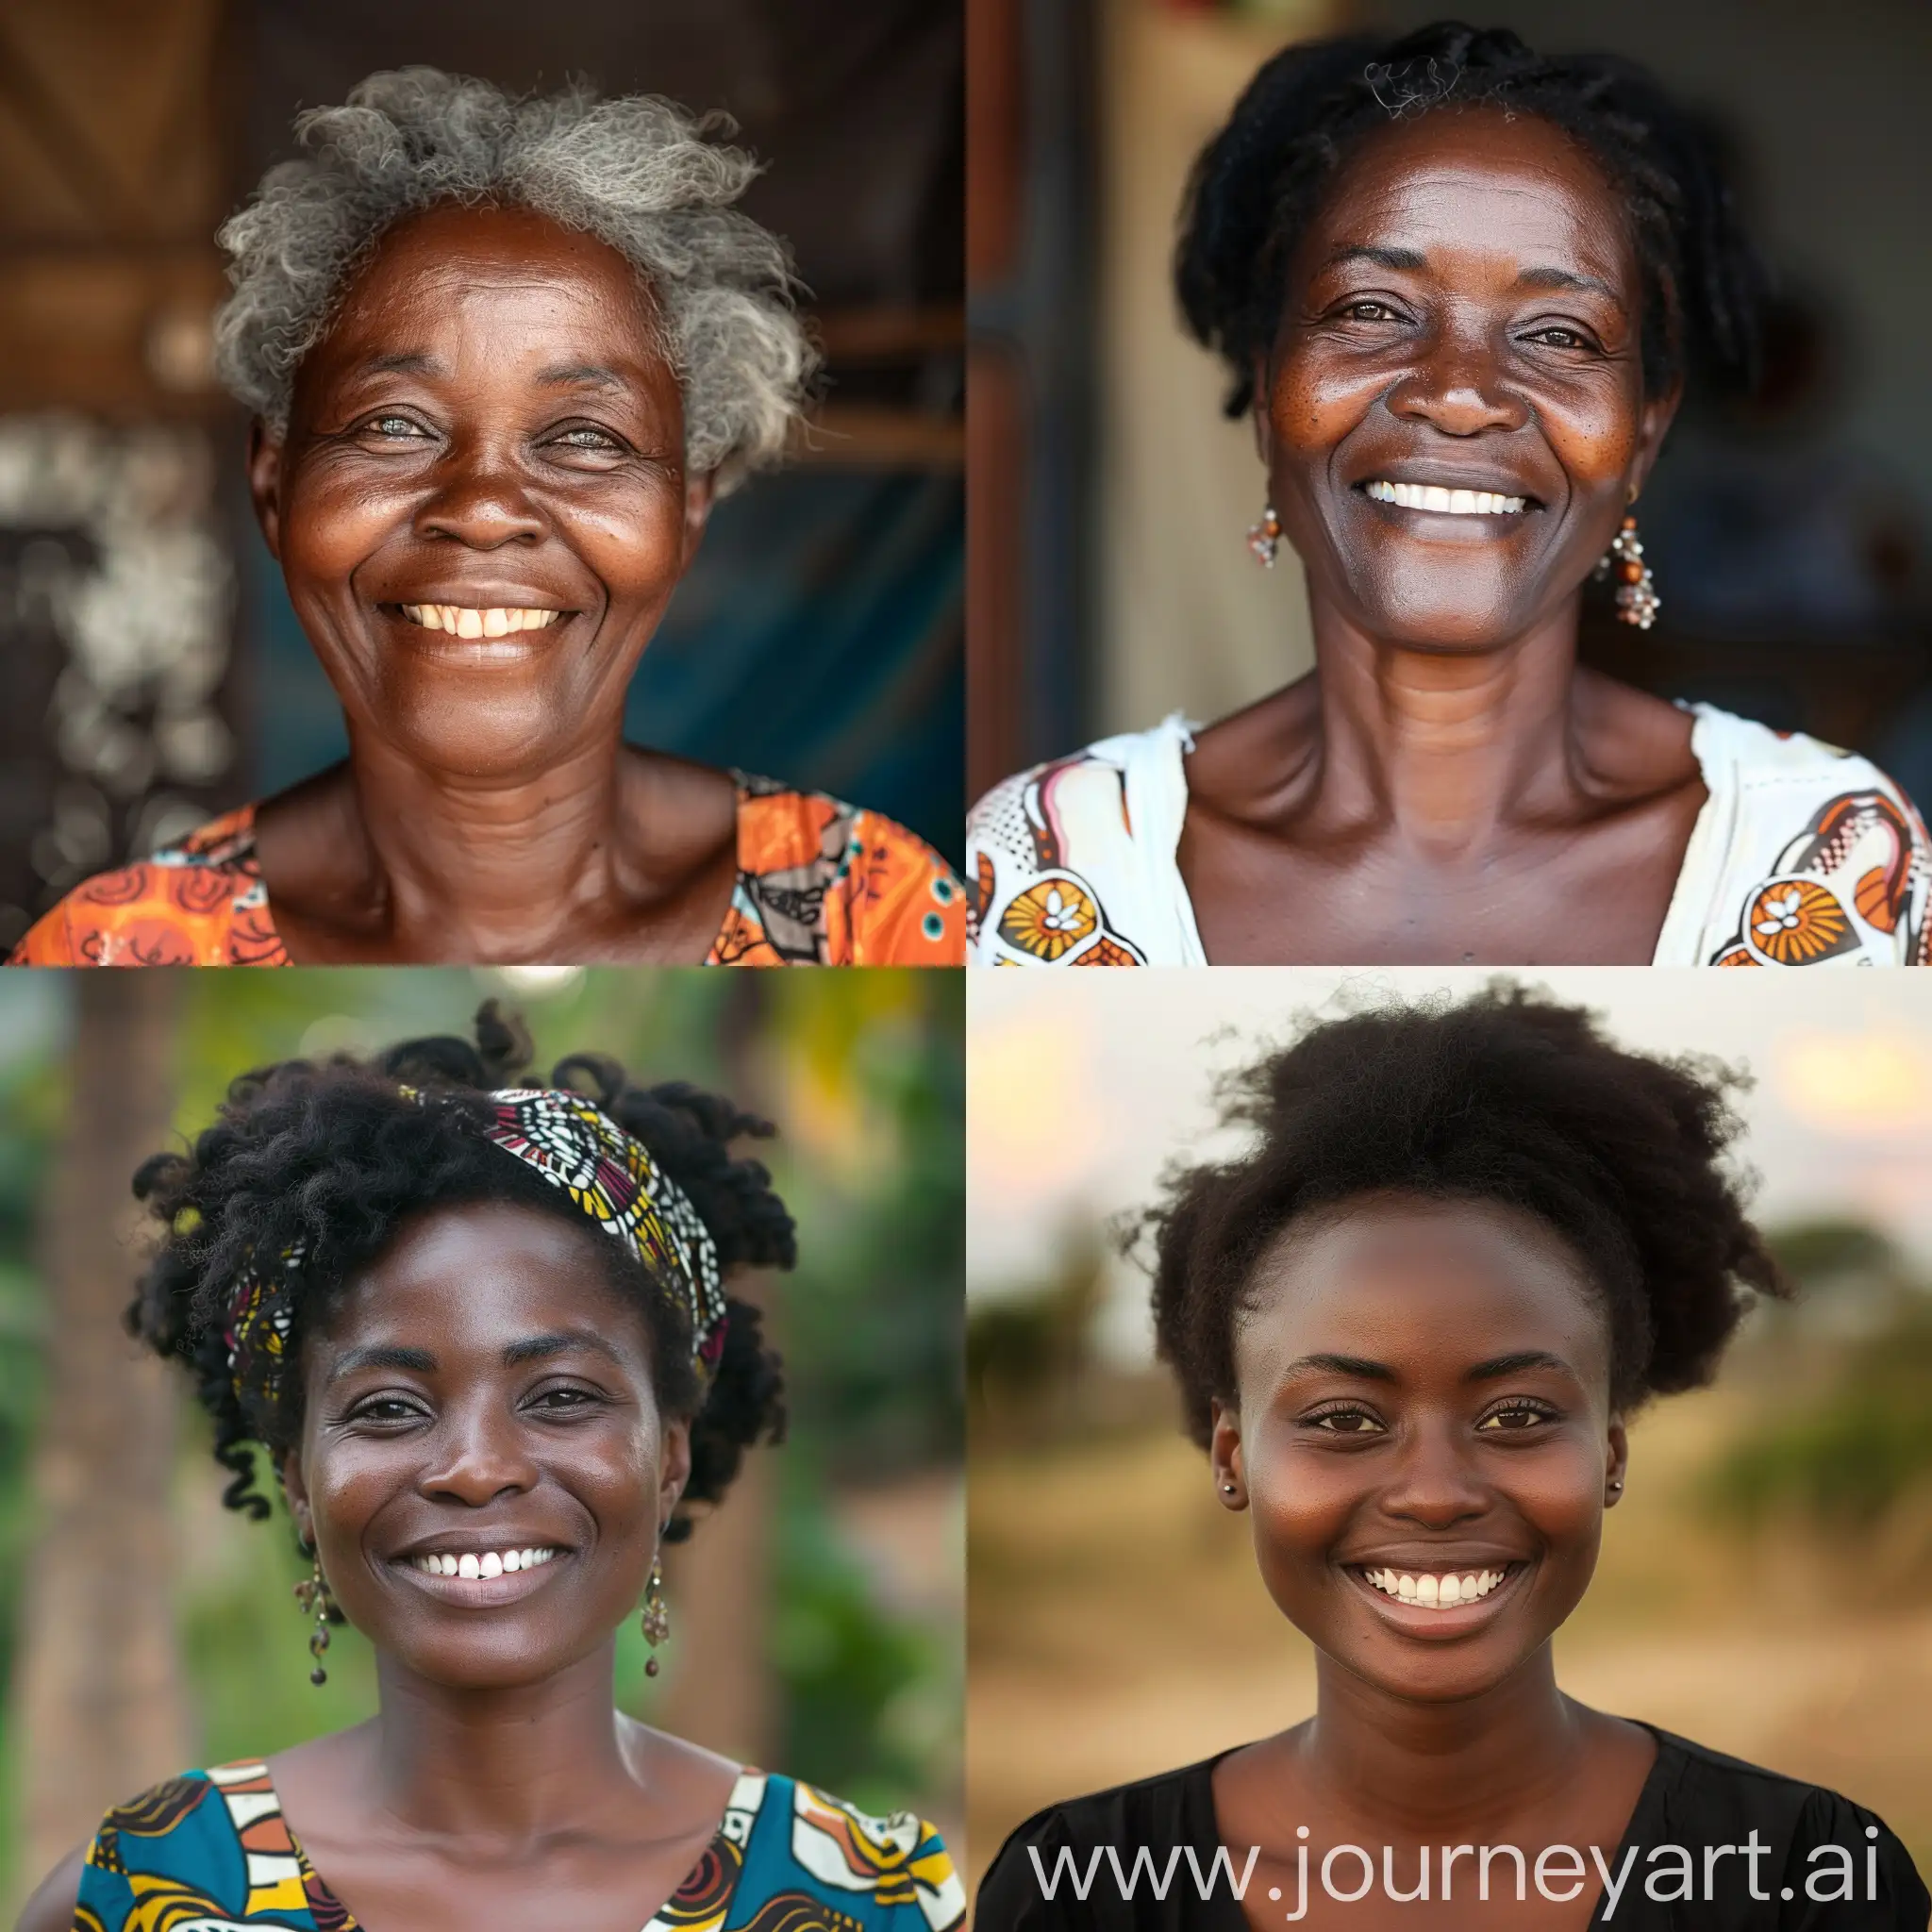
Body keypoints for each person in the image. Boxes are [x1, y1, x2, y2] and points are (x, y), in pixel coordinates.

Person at [966, 23, 1929, 968]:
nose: (1459, 393)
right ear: (1267, 399)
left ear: (1640, 435)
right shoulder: (1049, 866)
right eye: (1371, 310)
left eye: (1556, 333)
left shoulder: (1834, 857)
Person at [975, 986, 1931, 1928]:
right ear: (1232, 1454)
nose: (1434, 1492)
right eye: (1344, 1418)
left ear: (1607, 1450)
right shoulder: (1078, 1891)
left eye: (1516, 1411)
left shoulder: (1803, 1880)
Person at [18, 1003, 965, 1932]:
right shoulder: (146, 1890)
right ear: (299, 1478)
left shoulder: (868, 1898)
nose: (476, 1467)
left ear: (668, 1452)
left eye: (559, 1395)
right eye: (387, 1406)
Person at [11, 70, 963, 968]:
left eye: (585, 436)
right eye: (393, 424)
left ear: (686, 503)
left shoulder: (872, 915)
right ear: (274, 483)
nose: (483, 509)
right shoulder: (117, 944)